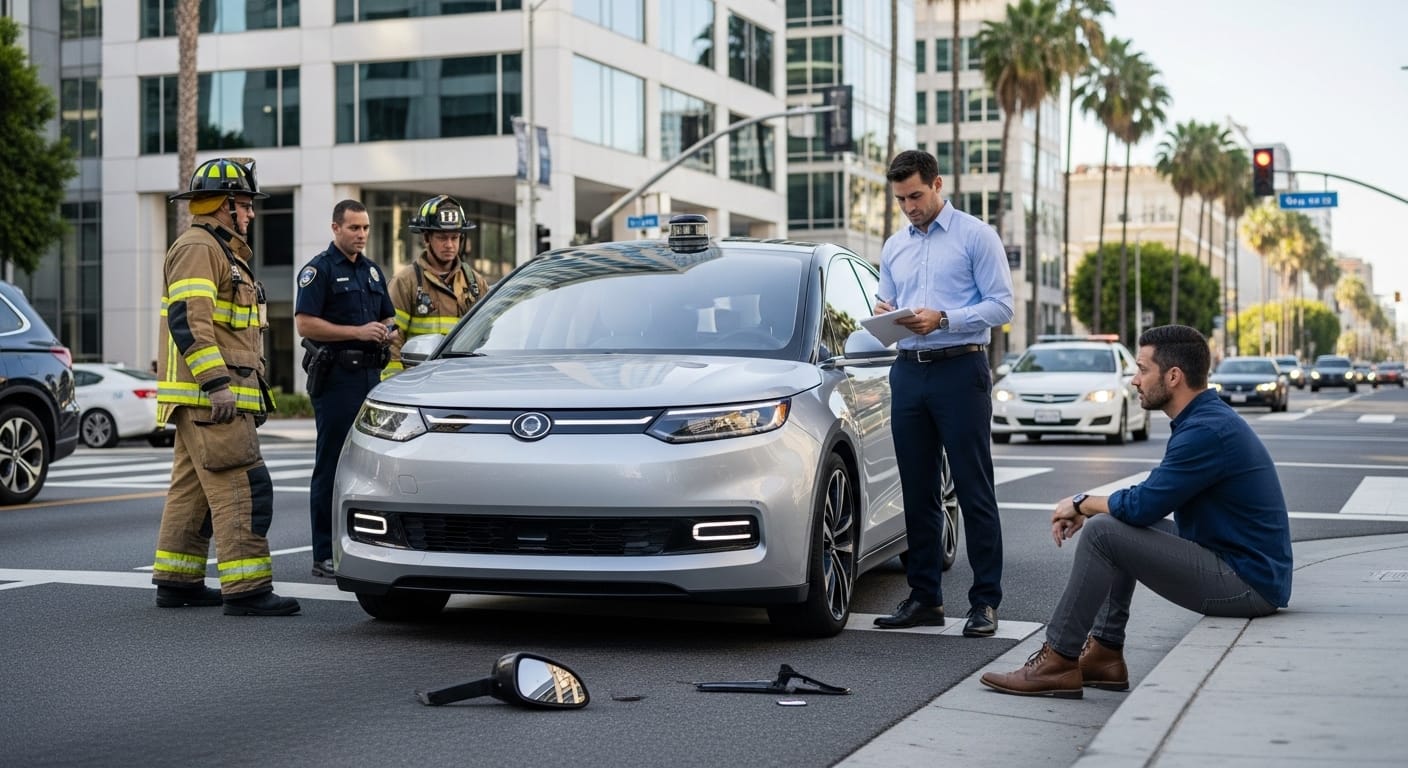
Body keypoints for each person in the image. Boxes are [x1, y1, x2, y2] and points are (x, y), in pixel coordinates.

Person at [980, 325, 1292, 699]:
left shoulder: (1206, 431)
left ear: (1173, 376)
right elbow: (1145, 501)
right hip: (1239, 566)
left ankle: (1059, 660)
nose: (1134, 380)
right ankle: (1104, 656)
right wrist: (1095, 506)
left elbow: (1144, 505)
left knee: (1102, 532)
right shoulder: (1204, 419)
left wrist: (1081, 503)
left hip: (1246, 583)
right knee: (1112, 523)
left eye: (1142, 369)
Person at [872, 149, 1014, 637]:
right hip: (908, 372)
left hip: (961, 370)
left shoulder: (977, 235)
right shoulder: (893, 247)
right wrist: (886, 312)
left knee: (974, 489)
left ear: (937, 184)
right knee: (917, 490)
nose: (909, 206)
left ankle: (985, 602)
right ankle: (924, 598)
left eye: (915, 195)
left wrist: (946, 318)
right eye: (900, 199)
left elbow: (1001, 306)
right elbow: (886, 301)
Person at [150, 157, 299, 617]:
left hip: (204, 397)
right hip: (210, 397)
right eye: (246, 205)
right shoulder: (200, 247)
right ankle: (248, 589)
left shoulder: (219, 250)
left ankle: (178, 581)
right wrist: (217, 385)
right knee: (242, 486)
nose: (252, 214)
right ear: (224, 206)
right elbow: (189, 322)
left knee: (192, 491)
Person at [295, 200, 397, 578]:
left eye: (366, 228)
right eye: (354, 228)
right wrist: (357, 332)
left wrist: (388, 329)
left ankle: (370, 544)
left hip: (371, 377)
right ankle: (323, 552)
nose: (361, 235)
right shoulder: (318, 271)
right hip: (337, 379)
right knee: (333, 465)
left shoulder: (372, 272)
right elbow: (305, 324)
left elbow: (388, 314)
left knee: (372, 466)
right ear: (335, 228)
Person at [384, 194, 488, 376]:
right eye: (442, 237)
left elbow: (488, 336)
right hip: (420, 380)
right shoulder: (406, 281)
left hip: (465, 378)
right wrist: (395, 384)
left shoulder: (475, 282)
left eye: (455, 238)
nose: (449, 245)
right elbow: (392, 340)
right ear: (426, 238)